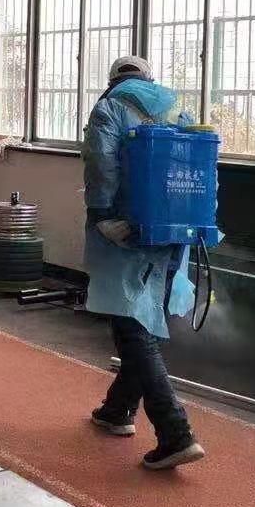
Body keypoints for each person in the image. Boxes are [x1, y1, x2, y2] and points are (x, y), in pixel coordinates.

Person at [83, 55, 205, 471]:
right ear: (149, 79)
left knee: (131, 326)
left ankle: (175, 432)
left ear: (113, 80)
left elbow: (101, 164)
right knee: (145, 322)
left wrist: (103, 215)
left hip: (127, 227)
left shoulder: (109, 108)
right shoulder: (174, 107)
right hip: (174, 230)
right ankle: (117, 410)